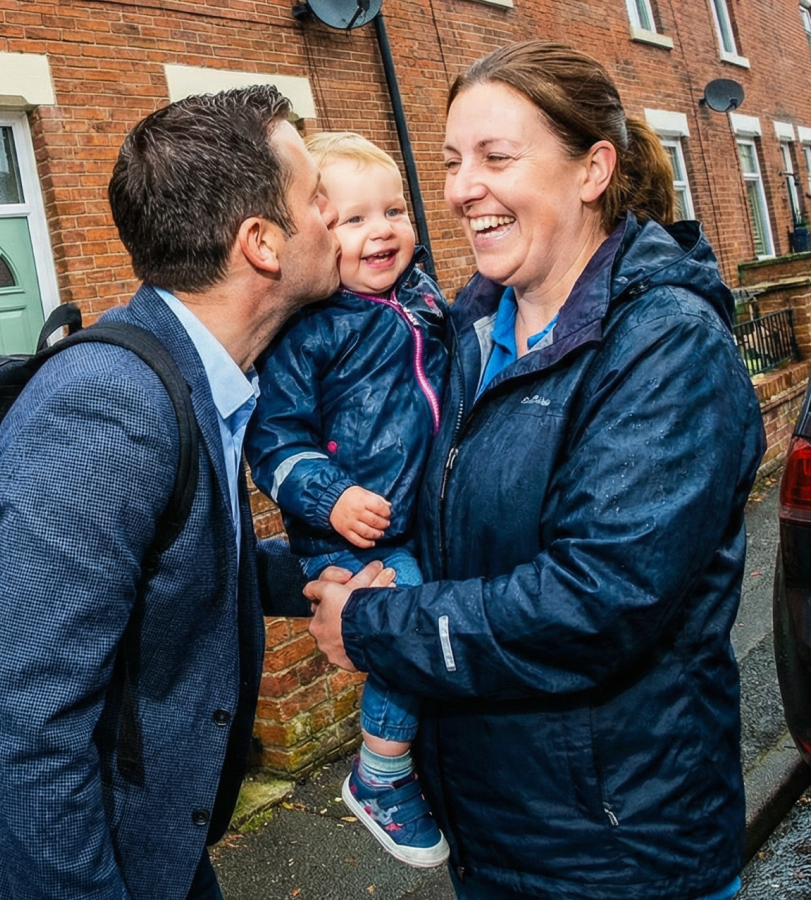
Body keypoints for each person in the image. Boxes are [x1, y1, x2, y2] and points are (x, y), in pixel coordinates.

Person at [304, 41, 765, 900]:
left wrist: (371, 624)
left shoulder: (664, 345)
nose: (459, 188)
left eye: (495, 157)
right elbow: (427, 525)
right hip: (492, 839)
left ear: (593, 170)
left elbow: (595, 601)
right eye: (449, 162)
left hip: (617, 854)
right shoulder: (460, 333)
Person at [0, 85, 342, 900]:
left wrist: (309, 574)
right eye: (316, 198)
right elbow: (31, 723)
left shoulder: (194, 371)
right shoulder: (108, 410)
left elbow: (171, 565)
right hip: (58, 866)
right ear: (262, 244)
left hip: (148, 841)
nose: (333, 215)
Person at [245, 131, 450, 868]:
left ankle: (419, 756)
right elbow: (272, 443)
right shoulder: (309, 331)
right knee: (406, 609)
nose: (383, 230)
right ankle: (380, 773)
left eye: (394, 210)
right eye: (356, 219)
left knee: (441, 608)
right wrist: (330, 498)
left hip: (413, 515)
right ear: (319, 234)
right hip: (351, 529)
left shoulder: (423, 299)